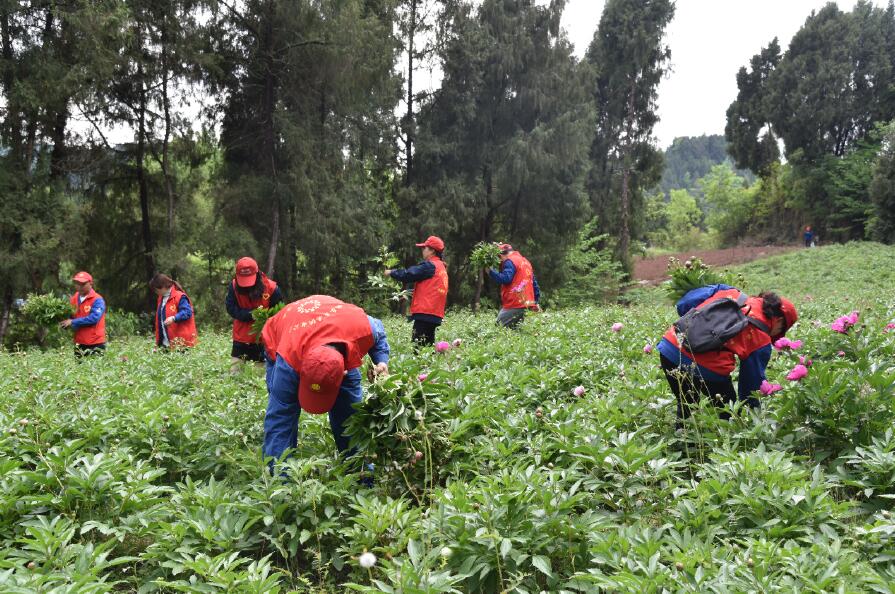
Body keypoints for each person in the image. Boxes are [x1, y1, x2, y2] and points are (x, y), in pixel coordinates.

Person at [260, 295, 390, 470]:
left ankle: (359, 471)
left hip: (337, 335)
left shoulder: (363, 327)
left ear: (344, 372)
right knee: (282, 413)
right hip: (283, 335)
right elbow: (279, 421)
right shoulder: (288, 364)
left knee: (350, 414)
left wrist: (381, 361)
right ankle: (279, 473)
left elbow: (379, 334)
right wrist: (279, 481)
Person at [657, 284, 798, 424]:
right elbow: (750, 386)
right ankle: (727, 432)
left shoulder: (729, 291)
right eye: (780, 331)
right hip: (706, 368)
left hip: (670, 347)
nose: (776, 336)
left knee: (686, 404)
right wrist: (753, 417)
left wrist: (698, 327)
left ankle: (683, 433)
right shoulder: (761, 339)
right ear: (779, 320)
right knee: (728, 411)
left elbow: (686, 302)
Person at [384, 235, 449, 347]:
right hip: (434, 314)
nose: (422, 250)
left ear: (432, 251)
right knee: (427, 347)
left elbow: (409, 274)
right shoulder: (441, 267)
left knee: (418, 347)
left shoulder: (430, 266)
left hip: (425, 313)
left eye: (424, 248)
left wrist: (391, 272)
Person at [226, 256, 284, 373]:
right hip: (241, 336)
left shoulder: (272, 289)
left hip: (263, 338)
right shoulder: (234, 286)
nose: (247, 285)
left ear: (257, 274)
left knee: (260, 375)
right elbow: (230, 308)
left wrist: (266, 318)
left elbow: (279, 314)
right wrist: (249, 314)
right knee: (235, 372)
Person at [487, 243, 540, 329]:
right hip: (527, 303)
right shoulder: (525, 262)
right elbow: (534, 284)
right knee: (514, 330)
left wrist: (490, 271)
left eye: (499, 258)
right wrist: (535, 302)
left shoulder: (509, 261)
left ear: (501, 255)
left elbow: (505, 279)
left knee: (498, 328)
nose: (500, 262)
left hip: (515, 303)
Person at [60, 271, 106, 357]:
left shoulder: (97, 299)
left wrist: (72, 322)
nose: (80, 286)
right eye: (77, 284)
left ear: (90, 283)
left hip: (95, 343)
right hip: (79, 342)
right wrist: (64, 321)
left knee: (96, 366)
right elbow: (71, 316)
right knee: (79, 365)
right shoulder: (74, 298)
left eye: (83, 284)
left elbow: (94, 318)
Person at [150, 273, 198, 349]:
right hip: (166, 344)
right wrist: (158, 343)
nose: (155, 292)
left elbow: (187, 312)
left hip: (182, 344)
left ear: (163, 287)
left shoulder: (180, 296)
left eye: (156, 290)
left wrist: (174, 318)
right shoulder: (161, 298)